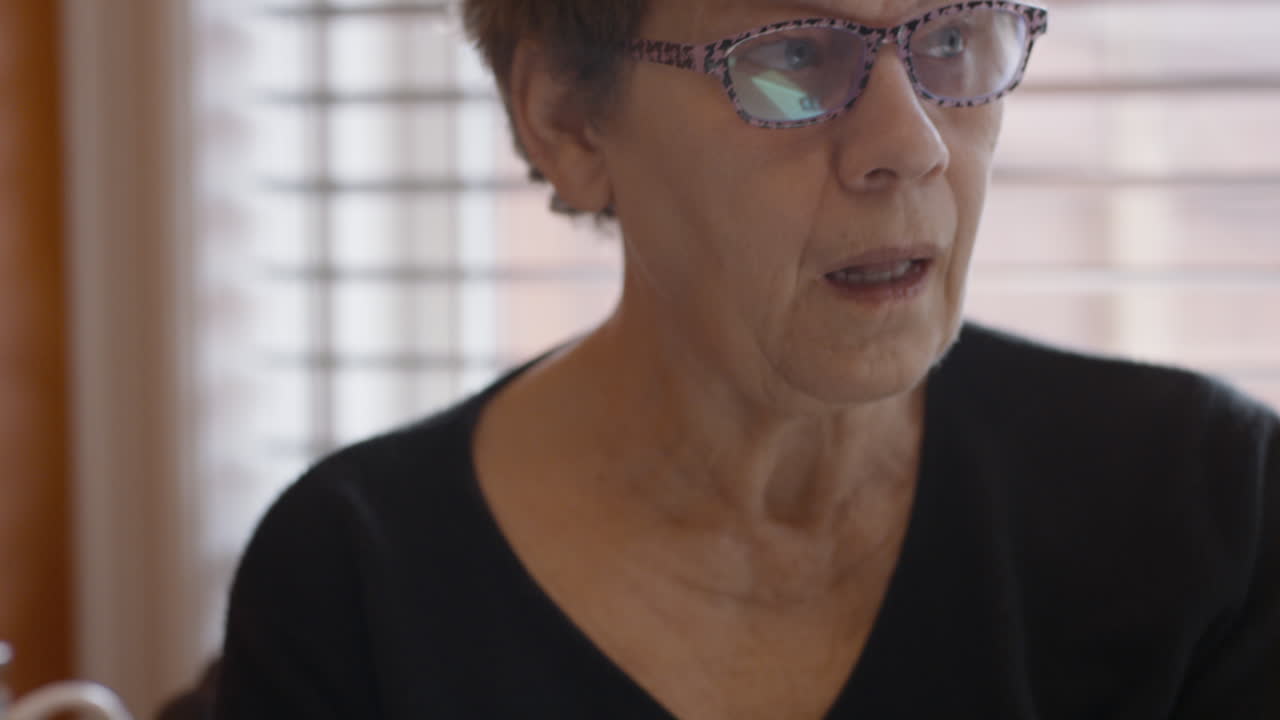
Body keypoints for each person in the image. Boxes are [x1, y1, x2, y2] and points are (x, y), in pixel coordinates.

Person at [213, 0, 1280, 717]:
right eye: (792, 59)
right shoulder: (356, 579)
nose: (907, 145)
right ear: (569, 123)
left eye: (949, 39)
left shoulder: (1202, 509)